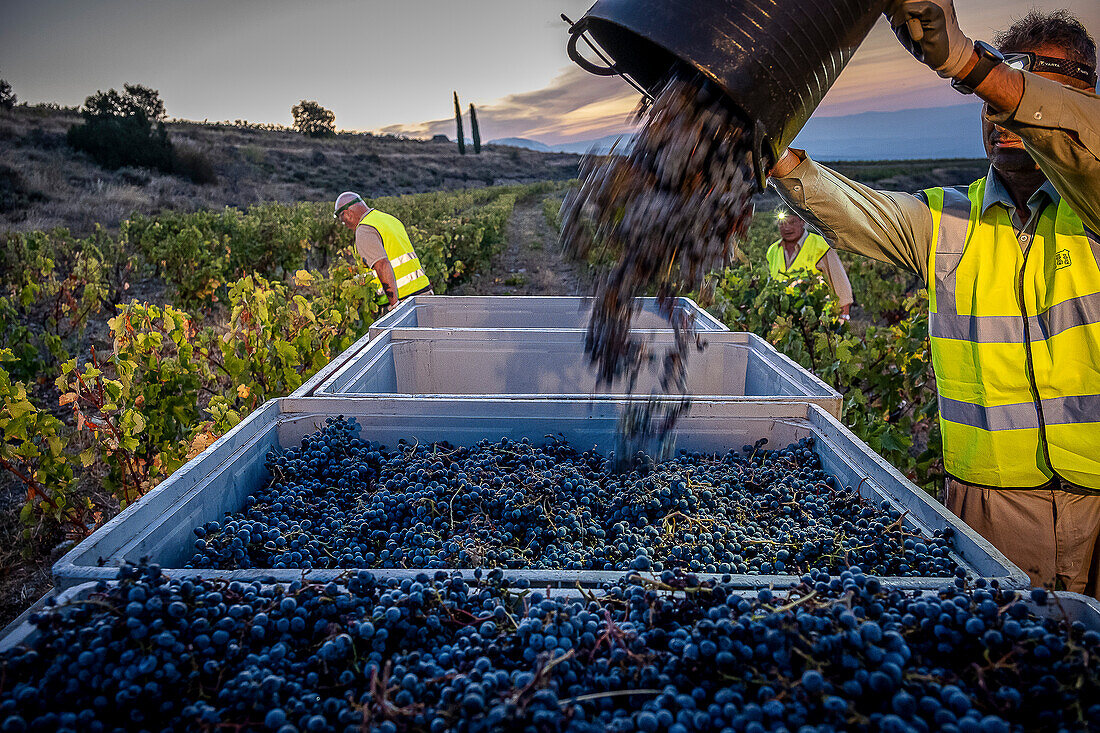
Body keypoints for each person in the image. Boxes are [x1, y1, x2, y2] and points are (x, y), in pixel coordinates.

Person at [769, 5, 1100, 597]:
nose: (1000, 111)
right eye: (991, 99)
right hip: (991, 504)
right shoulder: (949, 216)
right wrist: (775, 154)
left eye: (1023, 93)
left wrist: (971, 64)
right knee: (999, 668)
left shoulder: (1093, 214)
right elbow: (856, 212)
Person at [334, 192, 432, 309]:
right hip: (424, 292)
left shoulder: (364, 229)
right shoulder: (388, 219)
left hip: (402, 300)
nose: (345, 224)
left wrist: (394, 304)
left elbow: (382, 265)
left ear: (348, 214)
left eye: (342, 220)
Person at [766, 209, 854, 318]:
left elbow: (841, 287)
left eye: (792, 222)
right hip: (785, 321)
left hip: (818, 320)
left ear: (802, 221)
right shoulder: (773, 250)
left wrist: (843, 318)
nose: (787, 227)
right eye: (782, 223)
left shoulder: (822, 247)